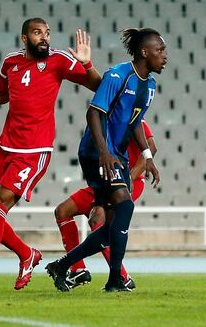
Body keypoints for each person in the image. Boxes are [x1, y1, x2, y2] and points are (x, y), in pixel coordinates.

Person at [0, 21, 102, 293]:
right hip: (5, 147)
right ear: (24, 37)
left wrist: (86, 64)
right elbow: (3, 95)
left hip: (33, 151)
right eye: (38, 33)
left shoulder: (59, 60)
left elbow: (98, 86)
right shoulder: (10, 63)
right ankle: (27, 253)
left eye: (48, 33)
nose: (45, 38)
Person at [47, 28, 164, 292]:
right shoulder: (117, 75)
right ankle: (115, 280)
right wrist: (104, 152)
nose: (165, 56)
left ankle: (62, 265)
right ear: (145, 52)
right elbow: (93, 113)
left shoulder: (150, 85)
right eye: (160, 51)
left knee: (111, 225)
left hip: (115, 155)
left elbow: (135, 122)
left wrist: (147, 157)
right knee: (124, 206)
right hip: (95, 151)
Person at [54, 119, 157, 290]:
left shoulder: (127, 112)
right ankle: (77, 270)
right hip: (106, 179)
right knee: (62, 211)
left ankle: (122, 277)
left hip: (126, 182)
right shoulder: (103, 118)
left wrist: (130, 177)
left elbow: (151, 146)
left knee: (99, 221)